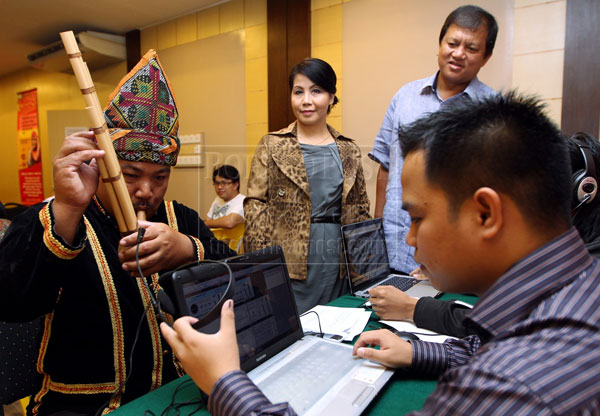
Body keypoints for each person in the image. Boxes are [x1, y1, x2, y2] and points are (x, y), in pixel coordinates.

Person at [162, 92, 600, 415]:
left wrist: (224, 381)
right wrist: (416, 352)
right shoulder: (577, 287)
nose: (410, 240)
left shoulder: (511, 385)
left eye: (417, 218)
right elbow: (485, 343)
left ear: (485, 213)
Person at [0, 50, 235, 415]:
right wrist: (66, 210)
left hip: (174, 391)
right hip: (79, 404)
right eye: (130, 175)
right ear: (101, 162)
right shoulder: (58, 218)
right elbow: (13, 303)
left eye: (160, 177)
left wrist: (191, 249)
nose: (146, 191)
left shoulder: (179, 219)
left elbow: (241, 277)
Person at [369, 131, 600, 338]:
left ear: (584, 191)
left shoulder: (586, 269)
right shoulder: (568, 243)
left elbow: (502, 320)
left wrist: (413, 308)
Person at [370, 5, 498, 275]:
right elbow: (385, 164)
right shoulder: (404, 97)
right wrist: (377, 225)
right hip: (395, 246)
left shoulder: (495, 109)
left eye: (472, 48)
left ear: (486, 57)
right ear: (440, 43)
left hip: (457, 260)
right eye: (452, 43)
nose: (459, 53)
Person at [243, 58, 370, 313]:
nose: (306, 100)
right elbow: (255, 207)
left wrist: (367, 267)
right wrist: (261, 267)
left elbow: (360, 210)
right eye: (298, 91)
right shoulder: (272, 144)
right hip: (288, 259)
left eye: (316, 91)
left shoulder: (348, 149)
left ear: (332, 97)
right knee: (291, 328)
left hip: (337, 261)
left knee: (335, 325)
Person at [204, 164, 245, 230]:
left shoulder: (243, 201)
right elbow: (207, 220)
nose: (219, 187)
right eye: (217, 183)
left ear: (235, 185)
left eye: (224, 183)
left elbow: (229, 222)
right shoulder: (217, 199)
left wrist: (205, 223)